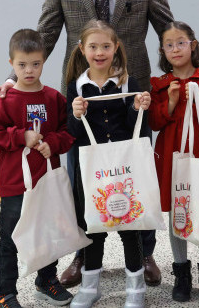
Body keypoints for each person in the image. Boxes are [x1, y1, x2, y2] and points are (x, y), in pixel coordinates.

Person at [0, 0, 172, 287]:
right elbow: (45, 34)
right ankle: (83, 252)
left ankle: (144, 252)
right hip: (82, 100)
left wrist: (189, 75)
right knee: (82, 178)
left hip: (131, 100)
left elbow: (167, 29)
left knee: (136, 174)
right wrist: (13, 79)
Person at [0, 29, 76, 308]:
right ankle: (5, 292)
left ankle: (46, 281)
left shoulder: (54, 98)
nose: (29, 70)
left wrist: (53, 143)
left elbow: (68, 133)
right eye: (22, 64)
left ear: (44, 61)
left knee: (48, 233)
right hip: (15, 185)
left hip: (46, 181)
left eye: (35, 64)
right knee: (10, 238)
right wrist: (20, 136)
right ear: (11, 63)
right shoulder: (5, 100)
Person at [65, 20, 152, 308]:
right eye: (93, 46)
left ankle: (136, 288)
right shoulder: (76, 87)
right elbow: (72, 134)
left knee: (130, 225)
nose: (99, 52)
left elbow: (137, 128)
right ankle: (90, 287)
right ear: (82, 49)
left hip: (124, 168)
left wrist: (137, 108)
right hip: (92, 171)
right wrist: (76, 114)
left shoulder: (128, 83)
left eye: (105, 46)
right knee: (93, 227)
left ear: (116, 47)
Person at [148, 21, 199, 304]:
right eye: (169, 45)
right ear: (162, 51)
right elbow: (154, 122)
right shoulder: (159, 84)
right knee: (177, 210)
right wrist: (170, 101)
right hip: (172, 153)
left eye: (181, 42)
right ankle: (181, 272)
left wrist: (198, 96)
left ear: (192, 45)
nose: (176, 49)